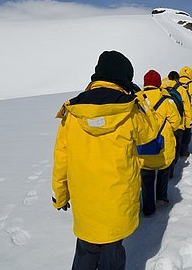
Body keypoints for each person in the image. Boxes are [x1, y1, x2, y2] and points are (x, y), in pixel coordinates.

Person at [52, 50, 158, 270]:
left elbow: (62, 158)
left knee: (86, 247)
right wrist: (141, 101)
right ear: (125, 78)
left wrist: (60, 196)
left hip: (85, 201)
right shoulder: (130, 110)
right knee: (113, 249)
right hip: (118, 200)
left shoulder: (73, 111)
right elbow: (150, 134)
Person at [139, 70, 181, 217]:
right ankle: (161, 198)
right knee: (163, 171)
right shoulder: (166, 100)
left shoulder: (138, 100)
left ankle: (148, 207)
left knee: (147, 177)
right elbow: (176, 122)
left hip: (143, 146)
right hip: (163, 145)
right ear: (158, 83)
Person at [161, 70, 192, 179]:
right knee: (175, 147)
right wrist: (187, 124)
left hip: (163, 123)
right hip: (178, 124)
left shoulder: (161, 87)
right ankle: (170, 171)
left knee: (164, 147)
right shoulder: (182, 90)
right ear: (177, 79)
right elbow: (187, 108)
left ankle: (162, 168)